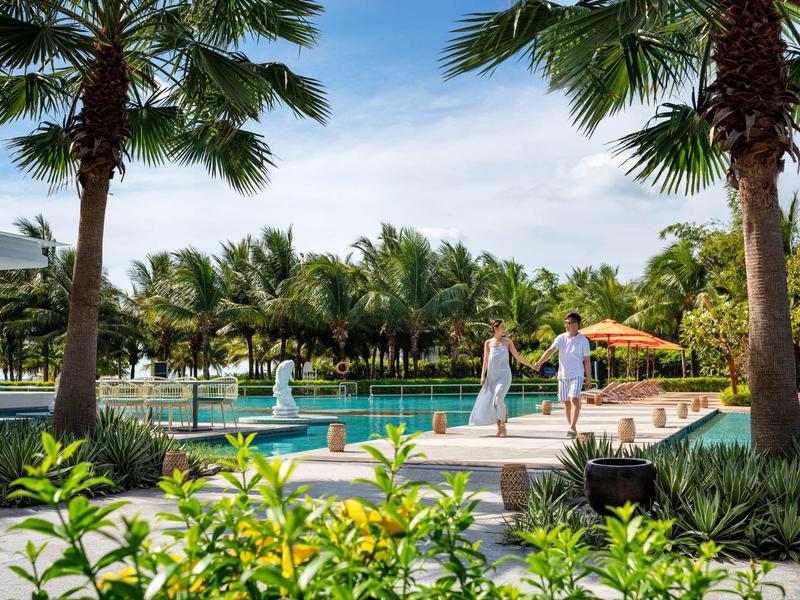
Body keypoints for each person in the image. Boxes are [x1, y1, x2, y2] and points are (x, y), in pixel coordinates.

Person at [469, 319, 536, 437]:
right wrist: (482, 375)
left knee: (498, 399)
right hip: (491, 377)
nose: (504, 329)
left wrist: (531, 365)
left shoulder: (507, 341)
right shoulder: (488, 343)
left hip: (504, 376)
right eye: (502, 327)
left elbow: (518, 356)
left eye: (504, 327)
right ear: (495, 328)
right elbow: (485, 360)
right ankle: (499, 427)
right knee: (494, 402)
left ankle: (503, 427)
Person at [534, 312, 591, 437]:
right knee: (566, 402)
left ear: (576, 324)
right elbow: (550, 351)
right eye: (566, 323)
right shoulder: (561, 338)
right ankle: (573, 428)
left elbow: (587, 361)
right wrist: (539, 362)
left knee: (574, 399)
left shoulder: (583, 341)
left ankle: (572, 428)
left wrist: (588, 379)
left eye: (569, 323)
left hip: (577, 374)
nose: (567, 325)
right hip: (563, 375)